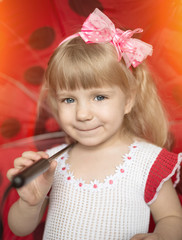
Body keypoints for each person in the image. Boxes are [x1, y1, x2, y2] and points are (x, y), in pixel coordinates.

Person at [7, 8, 182, 240]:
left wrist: (162, 236)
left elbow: (173, 219)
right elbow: (20, 229)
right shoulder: (50, 163)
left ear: (128, 100)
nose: (82, 114)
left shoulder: (147, 161)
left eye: (99, 97)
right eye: (68, 99)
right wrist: (29, 203)